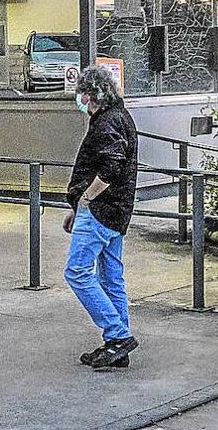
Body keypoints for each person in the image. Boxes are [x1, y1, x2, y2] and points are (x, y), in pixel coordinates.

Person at [64, 66, 140, 369]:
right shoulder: (118, 117)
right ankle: (117, 346)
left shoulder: (107, 122)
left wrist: (85, 199)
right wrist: (76, 207)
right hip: (115, 212)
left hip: (100, 211)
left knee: (77, 272)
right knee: (111, 277)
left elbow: (110, 168)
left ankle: (118, 335)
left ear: (88, 95)